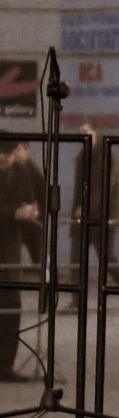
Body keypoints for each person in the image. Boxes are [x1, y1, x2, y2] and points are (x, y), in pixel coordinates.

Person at [70, 122, 119, 314]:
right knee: (76, 259)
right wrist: (77, 211)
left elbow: (105, 186)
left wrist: (85, 207)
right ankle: (76, 301)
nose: (82, 135)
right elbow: (78, 188)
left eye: (86, 131)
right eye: (80, 132)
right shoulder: (81, 156)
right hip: (82, 218)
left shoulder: (108, 154)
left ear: (95, 132)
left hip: (104, 216)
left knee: (107, 260)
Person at [0, 140, 39, 382]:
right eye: (0, 153)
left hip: (10, 248)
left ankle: (5, 365)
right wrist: (15, 213)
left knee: (12, 307)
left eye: (9, 152)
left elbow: (30, 199)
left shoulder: (21, 171)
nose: (5, 157)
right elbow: (15, 209)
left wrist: (31, 211)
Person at [10, 142, 45, 274]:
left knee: (38, 256)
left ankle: (47, 281)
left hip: (32, 222)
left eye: (18, 149)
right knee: (12, 255)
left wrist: (35, 212)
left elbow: (42, 196)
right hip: (18, 221)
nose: (16, 153)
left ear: (26, 151)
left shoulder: (33, 171)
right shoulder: (14, 169)